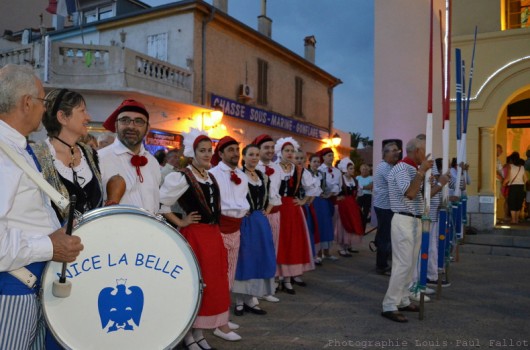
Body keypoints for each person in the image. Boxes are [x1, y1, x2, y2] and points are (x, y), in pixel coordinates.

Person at [0, 64, 83, 349]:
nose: (44, 109)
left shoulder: (14, 148)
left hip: (26, 284)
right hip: (12, 287)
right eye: (43, 102)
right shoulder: (3, 155)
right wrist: (50, 247)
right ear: (26, 103)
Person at [159, 128, 239, 349]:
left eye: (208, 150)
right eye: (201, 150)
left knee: (211, 284)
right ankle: (188, 335)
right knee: (196, 284)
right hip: (195, 237)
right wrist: (181, 221)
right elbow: (162, 203)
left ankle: (199, 332)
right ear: (192, 153)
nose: (206, 154)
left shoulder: (209, 175)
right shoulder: (182, 176)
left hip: (212, 236)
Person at [381, 137, 448, 323]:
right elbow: (409, 194)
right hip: (404, 218)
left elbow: (424, 197)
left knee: (410, 265)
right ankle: (389, 304)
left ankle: (402, 299)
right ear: (416, 151)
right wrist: (421, 173)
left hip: (415, 219)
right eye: (424, 151)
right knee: (403, 264)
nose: (427, 156)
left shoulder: (412, 169)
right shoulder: (403, 168)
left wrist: (439, 183)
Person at [33, 89, 103, 223]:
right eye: (82, 111)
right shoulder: (36, 156)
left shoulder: (90, 154)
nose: (88, 118)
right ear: (62, 117)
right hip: (55, 242)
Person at [233, 144, 276, 317]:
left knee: (258, 259)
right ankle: (238, 301)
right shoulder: (237, 174)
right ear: (244, 156)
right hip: (245, 222)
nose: (254, 157)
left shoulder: (262, 176)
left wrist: (268, 209)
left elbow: (273, 196)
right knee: (244, 260)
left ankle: (251, 299)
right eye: (251, 154)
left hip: (260, 222)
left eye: (257, 154)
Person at [98, 99, 161, 214]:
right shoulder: (99, 159)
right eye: (125, 120)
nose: (131, 126)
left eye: (139, 121)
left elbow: (156, 204)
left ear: (147, 128)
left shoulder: (153, 163)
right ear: (116, 125)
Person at [274, 137, 320, 294]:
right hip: (277, 208)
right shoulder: (273, 168)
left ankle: (288, 279)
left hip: (293, 210)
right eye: (286, 150)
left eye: (291, 151)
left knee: (291, 242)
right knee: (278, 241)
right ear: (280, 152)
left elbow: (313, 187)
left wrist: (303, 201)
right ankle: (277, 278)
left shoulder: (299, 170)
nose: (289, 153)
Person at [209, 136, 249, 292]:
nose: (235, 153)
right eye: (231, 150)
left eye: (237, 150)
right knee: (216, 269)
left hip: (236, 228)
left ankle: (224, 308)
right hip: (218, 228)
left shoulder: (243, 176)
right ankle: (213, 308)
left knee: (231, 269)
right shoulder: (212, 174)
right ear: (220, 154)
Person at [254, 134, 282, 303]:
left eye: (272, 148)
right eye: (266, 148)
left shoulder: (277, 168)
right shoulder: (253, 166)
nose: (270, 151)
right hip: (259, 215)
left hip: (274, 214)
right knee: (257, 252)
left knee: (272, 252)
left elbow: (275, 194)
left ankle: (267, 289)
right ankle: (254, 291)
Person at [373, 142, 400, 275]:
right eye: (393, 151)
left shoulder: (390, 166)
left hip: (387, 206)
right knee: (385, 236)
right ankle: (381, 265)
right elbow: (395, 183)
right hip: (384, 206)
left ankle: (384, 259)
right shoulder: (384, 167)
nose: (397, 153)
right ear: (385, 154)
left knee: (385, 235)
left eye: (397, 150)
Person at [335, 157, 364, 257]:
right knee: (342, 225)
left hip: (352, 206)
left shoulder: (354, 181)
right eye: (350, 168)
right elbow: (335, 191)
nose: (352, 170)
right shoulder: (340, 179)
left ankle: (347, 246)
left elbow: (359, 193)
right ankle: (341, 247)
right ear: (344, 169)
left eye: (353, 168)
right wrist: (338, 198)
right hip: (343, 206)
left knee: (351, 224)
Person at [317, 147, 342, 260]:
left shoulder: (337, 171)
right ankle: (319, 253)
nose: (331, 158)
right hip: (321, 200)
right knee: (321, 225)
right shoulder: (319, 170)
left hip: (331, 199)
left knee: (330, 226)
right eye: (328, 155)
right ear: (323, 157)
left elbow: (338, 185)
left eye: (332, 155)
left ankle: (327, 252)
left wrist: (331, 193)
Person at [503, 152, 528, 224]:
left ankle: (513, 220)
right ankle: (516, 219)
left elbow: (507, 178)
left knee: (512, 203)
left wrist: (504, 184)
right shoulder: (522, 167)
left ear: (512, 159)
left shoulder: (510, 166)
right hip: (521, 187)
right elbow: (526, 179)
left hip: (513, 187)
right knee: (518, 202)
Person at [356, 163, 373, 232]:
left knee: (365, 213)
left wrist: (361, 187)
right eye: (363, 169)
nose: (364, 171)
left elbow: (370, 187)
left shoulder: (371, 178)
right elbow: (355, 186)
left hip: (367, 196)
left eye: (366, 170)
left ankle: (363, 230)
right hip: (359, 196)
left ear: (368, 171)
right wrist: (364, 187)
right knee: (358, 212)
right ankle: (357, 228)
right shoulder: (357, 177)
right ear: (360, 170)